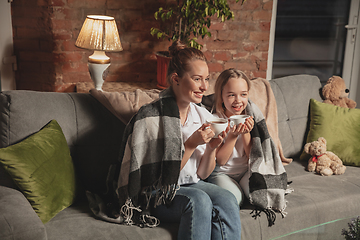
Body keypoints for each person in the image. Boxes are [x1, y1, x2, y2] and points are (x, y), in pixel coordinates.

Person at [113, 42, 241, 240]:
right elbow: (158, 179)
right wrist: (190, 145)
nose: (204, 86)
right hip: (157, 193)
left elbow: (202, 174)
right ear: (176, 79)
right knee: (199, 201)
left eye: (206, 79)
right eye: (197, 79)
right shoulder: (151, 117)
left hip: (191, 185)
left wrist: (211, 149)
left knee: (227, 198)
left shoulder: (202, 115)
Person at [207, 69, 254, 206]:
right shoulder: (216, 121)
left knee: (259, 194)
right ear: (221, 96)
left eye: (243, 94)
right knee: (234, 200)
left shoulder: (251, 117)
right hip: (222, 173)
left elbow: (253, 156)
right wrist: (233, 136)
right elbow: (220, 160)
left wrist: (245, 132)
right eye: (231, 95)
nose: (238, 100)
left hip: (246, 171)